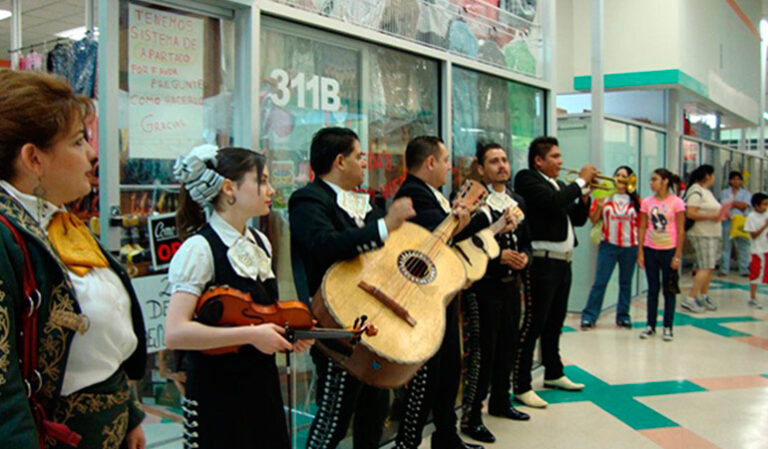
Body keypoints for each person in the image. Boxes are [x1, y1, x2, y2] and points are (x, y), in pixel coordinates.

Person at [0, 69, 147, 449]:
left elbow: (101, 337)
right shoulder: (6, 236)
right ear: (33, 158)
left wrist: (129, 413)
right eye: (79, 141)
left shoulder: (60, 222)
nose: (92, 154)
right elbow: (4, 391)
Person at [165, 146, 314, 449]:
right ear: (229, 187)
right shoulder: (199, 249)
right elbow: (175, 333)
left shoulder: (259, 241)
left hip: (261, 387)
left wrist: (286, 335)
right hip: (217, 393)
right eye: (262, 180)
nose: (271, 190)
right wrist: (252, 335)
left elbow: (263, 313)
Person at [288, 127, 415, 449]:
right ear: (340, 161)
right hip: (334, 321)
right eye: (360, 156)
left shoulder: (364, 202)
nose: (365, 164)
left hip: (373, 319)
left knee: (376, 405)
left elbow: (381, 252)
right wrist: (386, 225)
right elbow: (326, 245)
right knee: (336, 412)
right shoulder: (307, 199)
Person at [393, 135, 496, 449]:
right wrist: (476, 216)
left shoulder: (432, 194)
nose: (450, 167)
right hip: (421, 297)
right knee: (428, 377)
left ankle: (446, 435)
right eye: (446, 160)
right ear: (430, 162)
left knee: (450, 369)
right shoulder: (413, 193)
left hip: (442, 294)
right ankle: (408, 442)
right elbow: (439, 235)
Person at [512, 136, 594, 409]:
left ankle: (553, 372)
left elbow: (578, 219)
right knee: (534, 324)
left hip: (563, 262)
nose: (561, 162)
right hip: (542, 263)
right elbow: (552, 202)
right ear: (539, 160)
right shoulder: (527, 179)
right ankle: (521, 384)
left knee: (555, 322)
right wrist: (579, 182)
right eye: (556, 157)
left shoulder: (559, 184)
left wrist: (584, 196)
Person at [460, 143, 531, 445]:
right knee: (482, 352)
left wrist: (524, 257)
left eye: (504, 160)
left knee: (508, 345)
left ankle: (501, 401)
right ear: (480, 168)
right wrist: (499, 256)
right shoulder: (473, 201)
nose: (502, 166)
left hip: (509, 286)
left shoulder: (516, 199)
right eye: (494, 161)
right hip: (482, 286)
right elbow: (464, 242)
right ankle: (472, 415)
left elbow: (526, 239)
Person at [580, 166, 641, 330]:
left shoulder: (636, 201)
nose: (620, 178)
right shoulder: (605, 196)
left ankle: (623, 316)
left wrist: (640, 251)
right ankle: (589, 316)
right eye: (617, 175)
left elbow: (641, 225)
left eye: (624, 176)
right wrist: (599, 205)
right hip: (608, 245)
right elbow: (593, 220)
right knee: (600, 282)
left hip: (630, 247)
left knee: (625, 283)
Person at [637, 168, 685, 342]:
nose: (651, 183)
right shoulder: (647, 202)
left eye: (655, 179)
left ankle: (668, 326)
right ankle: (650, 325)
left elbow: (680, 229)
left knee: (669, 290)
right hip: (650, 249)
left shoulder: (677, 202)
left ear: (665, 181)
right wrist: (640, 251)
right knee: (652, 289)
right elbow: (642, 226)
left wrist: (677, 255)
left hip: (669, 249)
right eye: (650, 179)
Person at [682, 164, 724, 313]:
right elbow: (691, 213)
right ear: (708, 176)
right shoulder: (696, 191)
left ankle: (702, 295)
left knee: (709, 266)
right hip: (702, 234)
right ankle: (691, 298)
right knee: (705, 266)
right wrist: (712, 216)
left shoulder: (706, 192)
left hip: (712, 234)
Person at [719, 171, 751, 276]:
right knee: (726, 246)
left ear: (741, 181)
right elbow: (724, 205)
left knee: (743, 246)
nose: (736, 181)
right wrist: (735, 205)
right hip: (727, 221)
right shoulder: (724, 192)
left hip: (741, 221)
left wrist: (732, 203)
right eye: (733, 179)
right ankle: (724, 269)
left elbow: (744, 206)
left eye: (738, 179)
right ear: (729, 181)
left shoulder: (746, 193)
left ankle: (744, 269)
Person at [744, 192, 768, 309]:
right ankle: (752, 298)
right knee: (756, 274)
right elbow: (753, 235)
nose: (766, 207)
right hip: (757, 250)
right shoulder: (751, 217)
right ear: (756, 206)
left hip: (766, 248)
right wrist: (764, 226)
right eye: (764, 204)